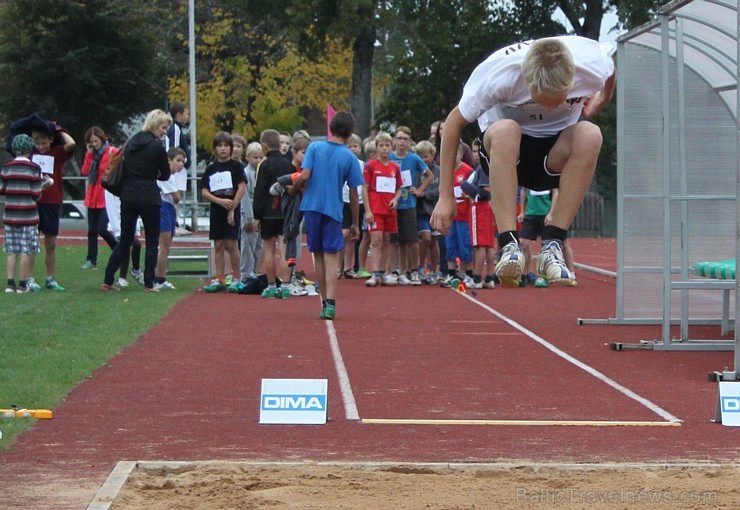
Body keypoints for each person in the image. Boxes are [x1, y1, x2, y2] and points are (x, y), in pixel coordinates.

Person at [431, 36, 615, 287]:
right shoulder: (498, 77)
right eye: (542, 99)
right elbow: (452, 124)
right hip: (506, 154)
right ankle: (508, 244)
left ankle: (553, 243)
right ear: (527, 82)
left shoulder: (591, 64)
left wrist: (602, 99)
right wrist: (445, 196)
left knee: (591, 134)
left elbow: (610, 69)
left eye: (559, 98)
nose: (550, 109)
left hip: (554, 155)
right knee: (507, 129)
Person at [290, 111, 364, 320]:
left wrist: (293, 189)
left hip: (312, 207)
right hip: (334, 209)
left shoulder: (314, 147)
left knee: (318, 255)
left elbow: (304, 176)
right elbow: (353, 191)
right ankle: (331, 302)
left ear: (331, 128)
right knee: (332, 257)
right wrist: (355, 223)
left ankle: (323, 300)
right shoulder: (350, 157)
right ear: (350, 133)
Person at [101, 109, 171, 292]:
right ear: (155, 126)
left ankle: (108, 279)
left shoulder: (132, 142)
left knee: (125, 239)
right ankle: (149, 282)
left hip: (128, 195)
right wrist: (155, 172)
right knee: (152, 241)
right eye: (163, 128)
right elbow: (165, 174)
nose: (164, 132)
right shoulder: (157, 147)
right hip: (149, 195)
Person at [30, 122, 76, 291]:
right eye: (37, 143)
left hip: (52, 202)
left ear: (50, 140)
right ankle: (29, 278)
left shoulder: (57, 153)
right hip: (34, 201)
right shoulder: (31, 154)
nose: (41, 147)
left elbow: (71, 144)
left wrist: (59, 130)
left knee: (51, 243)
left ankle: (50, 278)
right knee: (31, 242)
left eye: (44, 143)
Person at [1, 135, 48, 293]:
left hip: (10, 215)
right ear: (30, 150)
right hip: (28, 216)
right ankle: (22, 285)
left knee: (12, 251)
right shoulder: (34, 169)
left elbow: (2, 189)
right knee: (26, 250)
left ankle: (9, 284)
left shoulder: (7, 167)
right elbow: (36, 194)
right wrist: (44, 185)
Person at [201, 132, 247, 293]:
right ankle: (219, 277)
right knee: (219, 244)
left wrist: (232, 208)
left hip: (232, 208)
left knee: (232, 243)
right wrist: (219, 201)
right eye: (220, 146)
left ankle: (236, 277)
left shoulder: (236, 166)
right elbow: (205, 191)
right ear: (215, 149)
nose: (223, 149)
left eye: (226, 146)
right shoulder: (211, 168)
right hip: (216, 209)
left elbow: (241, 187)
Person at [253, 129, 294, 298]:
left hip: (269, 213)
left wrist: (257, 216)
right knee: (284, 250)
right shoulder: (289, 164)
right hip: (285, 212)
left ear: (264, 146)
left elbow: (260, 191)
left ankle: (271, 286)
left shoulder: (264, 165)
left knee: (268, 248)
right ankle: (285, 285)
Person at [390, 126, 433, 285]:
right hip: (392, 204)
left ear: (409, 141)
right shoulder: (389, 157)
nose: (402, 142)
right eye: (399, 138)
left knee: (413, 240)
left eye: (405, 139)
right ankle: (400, 271)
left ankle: (414, 269)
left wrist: (420, 190)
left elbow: (429, 175)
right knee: (397, 241)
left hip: (408, 203)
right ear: (395, 140)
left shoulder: (414, 159)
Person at [362, 132, 403, 288]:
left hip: (390, 210)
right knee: (376, 240)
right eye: (381, 146)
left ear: (391, 147)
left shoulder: (394, 167)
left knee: (387, 240)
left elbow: (399, 188)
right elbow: (364, 188)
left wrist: (395, 199)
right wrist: (368, 210)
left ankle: (384, 272)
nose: (385, 149)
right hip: (375, 209)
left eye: (387, 146)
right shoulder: (371, 166)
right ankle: (375, 273)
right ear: (377, 147)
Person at [518, 187, 576, 287]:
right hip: (531, 214)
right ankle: (524, 275)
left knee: (563, 243)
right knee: (523, 242)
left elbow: (556, 191)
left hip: (549, 214)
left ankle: (570, 274)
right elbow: (523, 190)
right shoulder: (528, 173)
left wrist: (551, 213)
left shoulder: (551, 174)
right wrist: (522, 211)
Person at [80, 127, 118, 270]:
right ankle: (91, 259)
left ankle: (117, 249)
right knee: (92, 230)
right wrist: (89, 155)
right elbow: (84, 171)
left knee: (102, 228)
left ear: (102, 139)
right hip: (93, 194)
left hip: (105, 194)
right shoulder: (91, 155)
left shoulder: (111, 152)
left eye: (96, 141)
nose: (94, 144)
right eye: (91, 142)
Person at [439, 145, 474, 287]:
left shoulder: (468, 171)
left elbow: (473, 192)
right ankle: (451, 274)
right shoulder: (445, 172)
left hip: (464, 216)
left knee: (465, 245)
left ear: (461, 153)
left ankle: (467, 274)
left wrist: (467, 196)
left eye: (456, 153)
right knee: (450, 245)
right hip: (450, 217)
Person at [153, 147, 187, 290]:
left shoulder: (172, 177)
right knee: (164, 246)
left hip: (170, 209)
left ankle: (158, 276)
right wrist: (176, 192)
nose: (181, 164)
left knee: (166, 247)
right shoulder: (165, 176)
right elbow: (176, 197)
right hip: (164, 209)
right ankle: (159, 279)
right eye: (178, 161)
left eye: (183, 162)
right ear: (169, 161)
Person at [461, 165, 496, 289]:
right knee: (488, 244)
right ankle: (489, 278)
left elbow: (485, 193)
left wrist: (466, 187)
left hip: (480, 207)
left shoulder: (483, 168)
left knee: (480, 244)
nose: (475, 154)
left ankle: (477, 278)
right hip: (486, 207)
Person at [414, 140, 441, 284]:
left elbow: (440, 190)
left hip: (434, 209)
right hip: (421, 210)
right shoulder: (417, 170)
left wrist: (424, 194)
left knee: (434, 240)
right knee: (426, 238)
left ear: (432, 154)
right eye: (420, 157)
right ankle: (420, 266)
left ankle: (433, 269)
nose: (423, 160)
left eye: (425, 156)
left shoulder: (439, 171)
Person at [339, 133, 365, 278]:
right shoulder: (342, 163)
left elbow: (364, 185)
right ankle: (339, 265)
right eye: (349, 146)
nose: (353, 149)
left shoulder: (363, 165)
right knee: (344, 234)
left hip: (359, 202)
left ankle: (348, 267)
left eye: (355, 146)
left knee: (353, 236)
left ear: (360, 148)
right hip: (344, 200)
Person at [165, 101, 191, 236]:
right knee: (175, 194)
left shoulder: (178, 128)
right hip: (178, 168)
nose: (187, 116)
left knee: (177, 195)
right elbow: (174, 148)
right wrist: (178, 162)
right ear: (179, 114)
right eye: (186, 114)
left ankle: (175, 222)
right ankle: (174, 223)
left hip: (180, 166)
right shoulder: (175, 128)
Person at [239, 141, 264, 280]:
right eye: (255, 157)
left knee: (259, 244)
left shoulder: (262, 171)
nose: (258, 160)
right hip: (249, 213)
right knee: (248, 245)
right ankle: (245, 272)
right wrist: (249, 217)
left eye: (261, 157)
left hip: (260, 214)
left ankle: (254, 269)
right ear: (248, 157)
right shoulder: (246, 173)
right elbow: (245, 196)